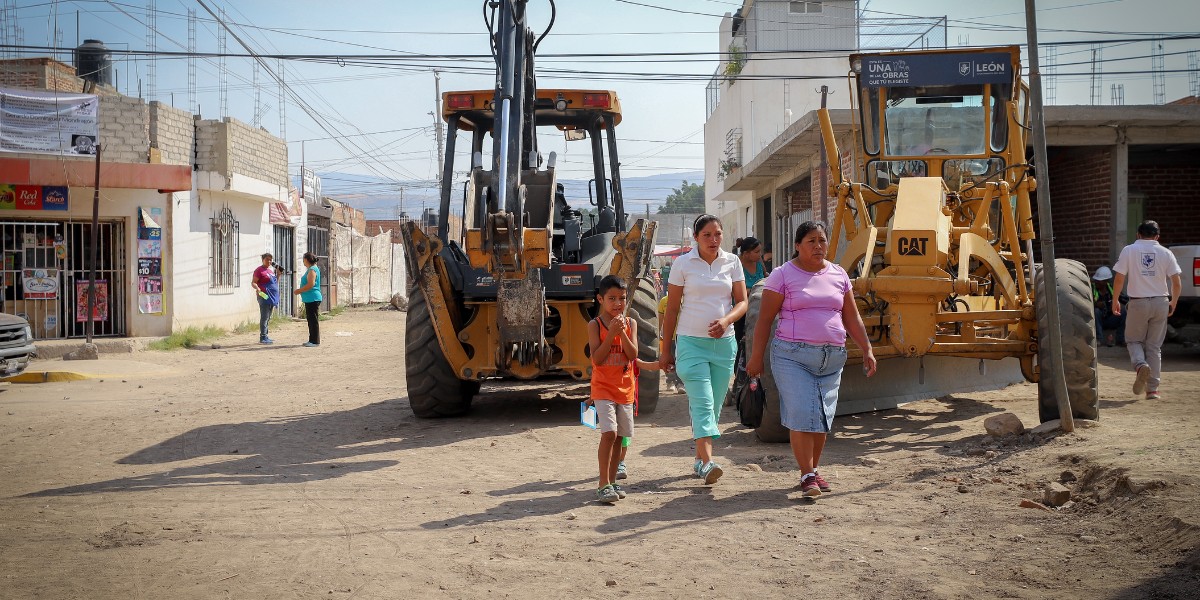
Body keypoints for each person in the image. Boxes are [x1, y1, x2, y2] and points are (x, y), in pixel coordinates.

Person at [746, 221, 877, 498]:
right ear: (798, 245)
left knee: (821, 417)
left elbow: (851, 317)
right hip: (792, 357)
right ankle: (806, 474)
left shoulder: (839, 274)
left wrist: (866, 348)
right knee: (802, 414)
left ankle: (813, 470)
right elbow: (764, 320)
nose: (818, 246)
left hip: (832, 359)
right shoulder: (782, 275)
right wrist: (756, 358)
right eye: (811, 241)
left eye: (822, 240)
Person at [660, 214, 748, 485]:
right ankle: (709, 463)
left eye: (717, 234)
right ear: (696, 237)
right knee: (703, 403)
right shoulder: (682, 264)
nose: (713, 239)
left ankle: (700, 460)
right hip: (691, 344)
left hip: (724, 346)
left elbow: (742, 302)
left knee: (714, 408)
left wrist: (726, 321)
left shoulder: (732, 262)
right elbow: (671, 310)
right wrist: (666, 349)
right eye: (707, 235)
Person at [1112, 220, 1182, 401]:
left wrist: (1115, 299)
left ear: (1138, 234)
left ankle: (1140, 365)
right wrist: (1173, 302)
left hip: (1138, 303)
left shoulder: (1129, 250)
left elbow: (1119, 278)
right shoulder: (1166, 252)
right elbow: (1176, 282)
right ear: (1157, 236)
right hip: (1161, 302)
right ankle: (1152, 390)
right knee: (1154, 346)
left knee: (1133, 340)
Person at [588, 275, 639, 503]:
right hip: (603, 389)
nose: (618, 303)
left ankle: (612, 481)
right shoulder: (595, 325)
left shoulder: (631, 323)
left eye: (622, 298)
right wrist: (610, 335)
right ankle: (602, 484)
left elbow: (633, 354)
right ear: (600, 299)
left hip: (625, 389)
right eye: (612, 298)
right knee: (609, 433)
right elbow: (597, 358)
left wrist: (622, 333)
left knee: (619, 437)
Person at [656, 290, 684, 394]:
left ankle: (680, 384)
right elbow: (660, 319)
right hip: (669, 336)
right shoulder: (664, 301)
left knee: (680, 360)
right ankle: (670, 382)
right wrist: (658, 333)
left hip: (681, 336)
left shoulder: (685, 301)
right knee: (669, 360)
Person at [293, 252, 324, 347]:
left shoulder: (312, 270)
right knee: (310, 320)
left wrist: (299, 290)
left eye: (303, 259)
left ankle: (315, 341)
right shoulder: (311, 269)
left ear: (306, 259)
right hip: (310, 298)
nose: (303, 261)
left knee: (313, 320)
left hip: (313, 298)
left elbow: (311, 284)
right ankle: (312, 340)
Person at [1091, 266, 1125, 347]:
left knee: (1124, 311)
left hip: (1110, 319)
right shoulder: (1092, 288)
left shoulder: (1111, 289)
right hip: (1098, 320)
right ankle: (1099, 339)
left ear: (1106, 281)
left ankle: (1120, 339)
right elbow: (1085, 302)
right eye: (1096, 280)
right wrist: (1095, 304)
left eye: (1099, 280)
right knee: (1096, 311)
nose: (1096, 282)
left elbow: (1123, 299)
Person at [251, 252, 280, 344]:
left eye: (270, 260)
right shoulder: (259, 270)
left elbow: (275, 283)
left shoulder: (270, 271)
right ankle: (263, 337)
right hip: (264, 295)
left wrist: (279, 275)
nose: (269, 261)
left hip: (272, 297)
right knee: (264, 316)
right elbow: (253, 282)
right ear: (263, 260)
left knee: (268, 317)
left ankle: (266, 335)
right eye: (267, 259)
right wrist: (258, 288)